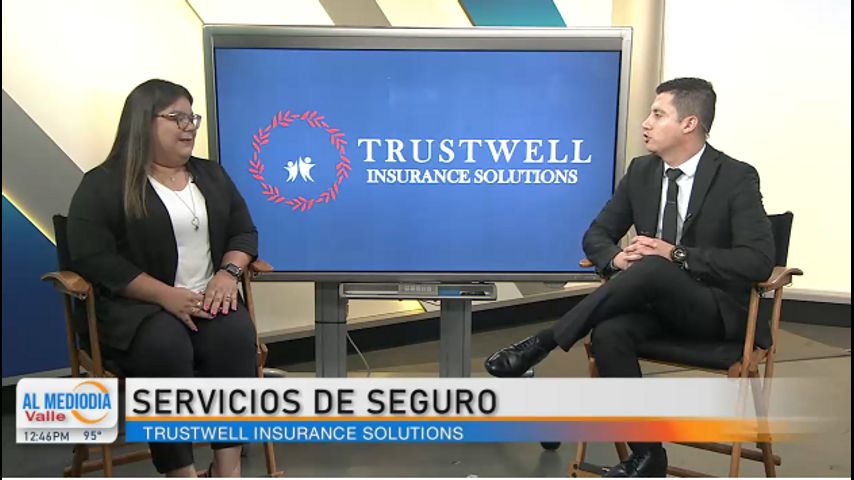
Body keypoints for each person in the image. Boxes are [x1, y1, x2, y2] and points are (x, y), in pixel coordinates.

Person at [484, 78, 775, 477]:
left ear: (689, 123)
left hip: (716, 313)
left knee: (655, 265)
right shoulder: (642, 171)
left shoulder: (735, 177)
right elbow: (597, 235)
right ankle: (648, 455)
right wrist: (616, 258)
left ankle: (545, 342)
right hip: (656, 307)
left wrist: (676, 254)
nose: (646, 123)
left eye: (658, 114)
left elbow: (758, 261)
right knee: (609, 333)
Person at [68, 79, 259, 477]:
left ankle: (227, 470)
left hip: (207, 300)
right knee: (165, 347)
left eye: (192, 118)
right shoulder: (104, 183)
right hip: (138, 311)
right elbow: (92, 256)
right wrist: (164, 295)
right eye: (177, 117)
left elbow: (244, 231)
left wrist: (228, 274)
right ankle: (180, 471)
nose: (189, 126)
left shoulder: (211, 175)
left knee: (235, 335)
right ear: (143, 122)